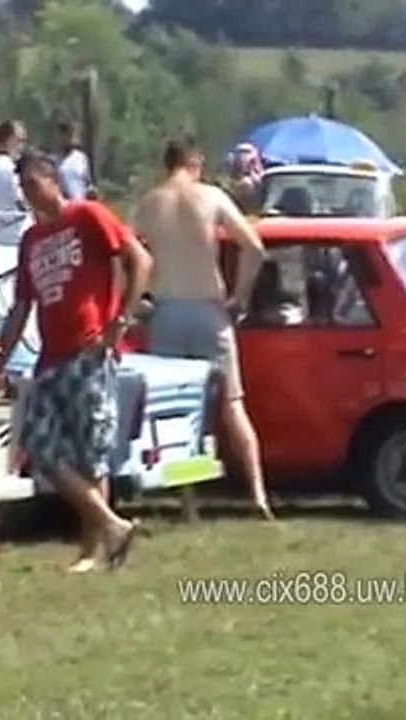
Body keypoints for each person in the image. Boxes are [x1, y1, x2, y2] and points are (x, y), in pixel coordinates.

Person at [0, 152, 152, 573]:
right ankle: (113, 526)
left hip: (89, 350)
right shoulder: (31, 240)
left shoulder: (87, 216)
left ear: (50, 180)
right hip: (50, 356)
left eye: (30, 184)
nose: (26, 195)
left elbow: (139, 260)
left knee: (90, 453)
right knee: (41, 450)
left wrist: (121, 321)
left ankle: (91, 550)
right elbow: (22, 306)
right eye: (20, 188)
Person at [131, 137, 275, 521]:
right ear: (195, 162)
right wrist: (240, 296)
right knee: (232, 404)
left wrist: (136, 301)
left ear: (167, 165)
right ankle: (257, 493)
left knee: (176, 413)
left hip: (167, 311)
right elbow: (255, 248)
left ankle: (188, 501)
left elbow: (126, 255)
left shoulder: (149, 203)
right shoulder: (210, 197)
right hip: (208, 308)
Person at [55, 121, 94, 201]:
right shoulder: (54, 161)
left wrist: (91, 191)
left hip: (81, 203)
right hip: (63, 205)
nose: (70, 139)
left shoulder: (81, 158)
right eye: (68, 135)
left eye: (73, 136)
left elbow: (87, 182)